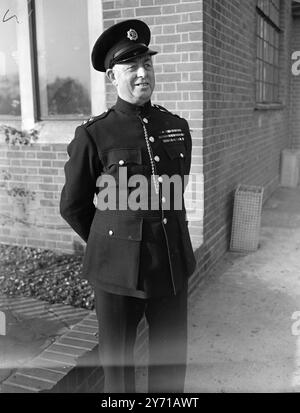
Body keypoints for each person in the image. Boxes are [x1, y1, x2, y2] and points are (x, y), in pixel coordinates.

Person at [60, 19, 196, 393]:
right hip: (117, 275)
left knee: (171, 365)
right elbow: (73, 205)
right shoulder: (94, 134)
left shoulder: (176, 126)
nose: (142, 74)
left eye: (147, 65)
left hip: (170, 265)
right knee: (118, 373)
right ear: (111, 76)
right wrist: (112, 243)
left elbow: (174, 194)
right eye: (131, 67)